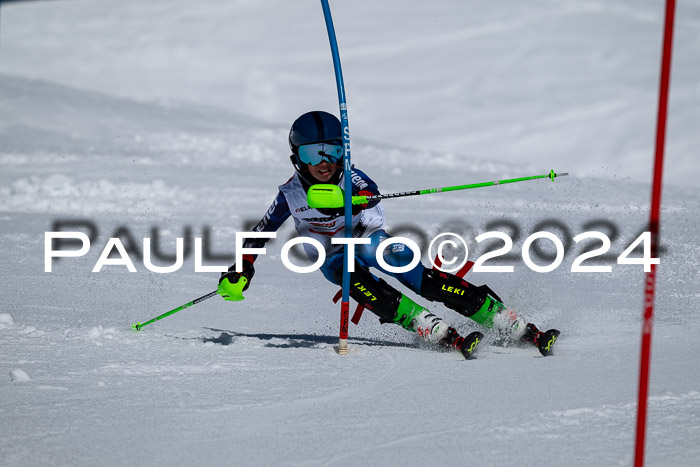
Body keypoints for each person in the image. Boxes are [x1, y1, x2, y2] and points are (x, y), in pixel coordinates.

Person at [217, 110, 559, 358]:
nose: (324, 163)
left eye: (332, 151)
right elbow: (259, 234)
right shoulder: (289, 194)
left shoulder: (351, 178)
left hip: (369, 239)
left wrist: (356, 201)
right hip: (332, 254)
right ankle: (426, 325)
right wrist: (241, 269)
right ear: (297, 159)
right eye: (312, 153)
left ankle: (498, 316)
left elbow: (369, 187)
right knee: (351, 276)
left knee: (412, 272)